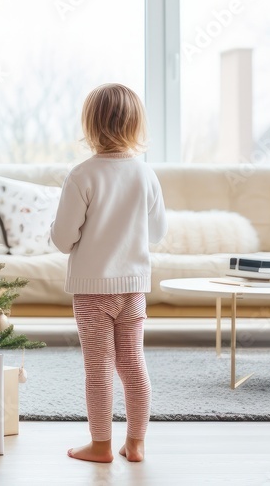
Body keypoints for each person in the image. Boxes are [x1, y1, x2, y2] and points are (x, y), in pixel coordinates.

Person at [51, 83, 168, 463]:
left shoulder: (82, 175)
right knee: (133, 363)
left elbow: (64, 240)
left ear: (90, 125)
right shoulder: (145, 175)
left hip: (92, 292)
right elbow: (158, 234)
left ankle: (100, 445)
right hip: (133, 289)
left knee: (98, 368)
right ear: (136, 125)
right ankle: (136, 444)